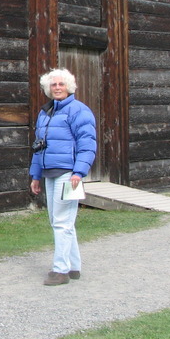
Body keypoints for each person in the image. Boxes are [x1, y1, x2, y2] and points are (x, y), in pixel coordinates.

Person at [29, 68, 97, 286]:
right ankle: (73, 267)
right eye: (53, 84)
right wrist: (35, 175)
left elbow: (87, 144)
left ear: (69, 86)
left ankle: (60, 271)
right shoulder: (45, 112)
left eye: (61, 84)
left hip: (68, 175)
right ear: (48, 88)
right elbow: (39, 147)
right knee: (61, 221)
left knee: (61, 222)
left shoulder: (79, 111)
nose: (57, 87)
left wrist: (79, 172)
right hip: (49, 173)